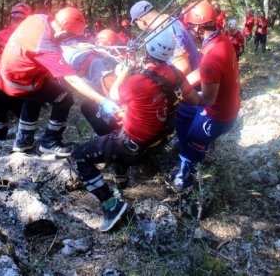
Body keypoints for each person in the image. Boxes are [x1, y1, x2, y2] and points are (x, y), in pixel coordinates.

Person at [69, 29, 201, 232]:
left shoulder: (137, 82)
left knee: (79, 156)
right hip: (157, 141)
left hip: (132, 147)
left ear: (147, 52)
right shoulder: (175, 74)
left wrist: (123, 74)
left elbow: (113, 95)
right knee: (117, 126)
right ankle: (121, 179)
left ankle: (111, 206)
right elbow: (193, 99)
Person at [0, 7, 120, 157]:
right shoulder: (44, 46)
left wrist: (76, 46)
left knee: (35, 98)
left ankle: (23, 142)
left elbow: (52, 42)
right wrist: (102, 100)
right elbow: (72, 79)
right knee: (64, 97)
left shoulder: (40, 18)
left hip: (7, 75)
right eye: (69, 36)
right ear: (63, 31)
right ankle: (50, 142)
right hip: (22, 81)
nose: (68, 38)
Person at [174, 0, 240, 190]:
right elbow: (202, 72)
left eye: (189, 28)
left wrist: (181, 90)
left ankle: (185, 175)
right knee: (183, 112)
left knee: (190, 149)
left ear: (197, 28)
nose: (188, 32)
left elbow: (206, 101)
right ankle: (191, 144)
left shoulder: (212, 57)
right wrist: (181, 81)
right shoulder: (221, 40)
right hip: (230, 105)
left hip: (218, 115)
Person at [0, 2, 31, 140]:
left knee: (0, 113)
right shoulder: (25, 37)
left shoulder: (1, 34)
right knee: (24, 115)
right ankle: (25, 142)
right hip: (11, 85)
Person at [130, 0, 201, 75]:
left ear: (141, 20)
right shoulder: (169, 21)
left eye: (136, 23)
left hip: (191, 83)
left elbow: (184, 70)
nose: (137, 26)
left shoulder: (168, 31)